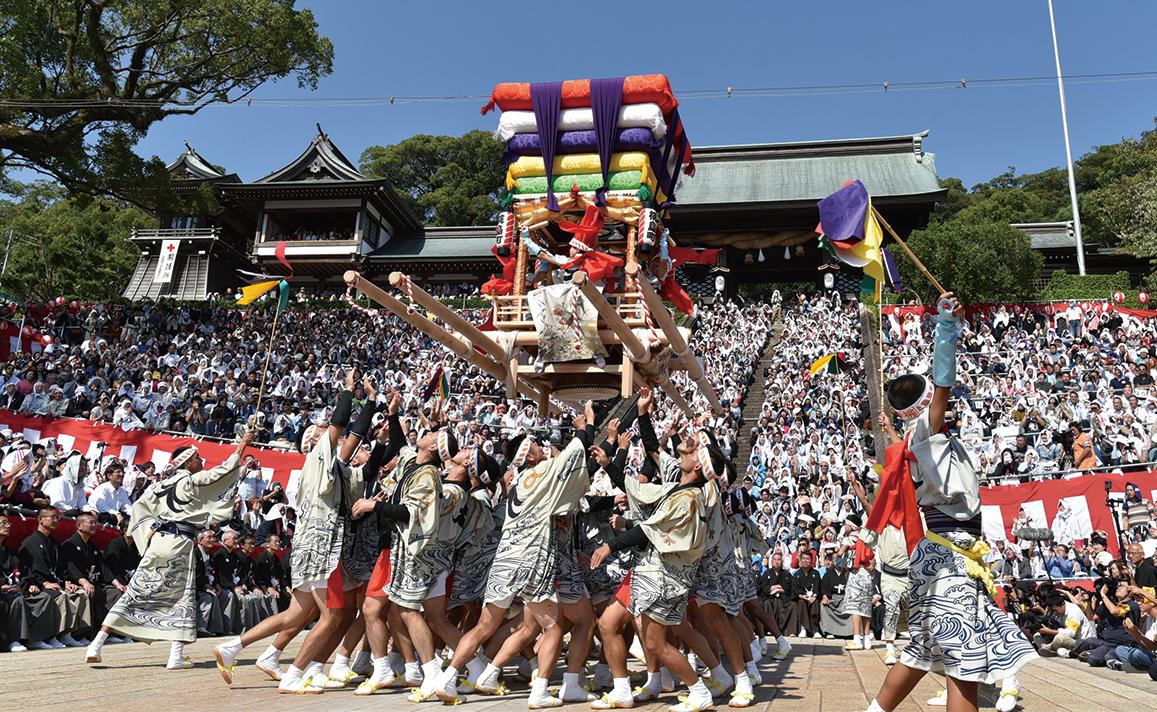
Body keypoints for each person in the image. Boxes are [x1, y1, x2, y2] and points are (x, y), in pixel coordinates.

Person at [859, 292, 1036, 712]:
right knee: (964, 660)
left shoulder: (916, 440)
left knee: (921, 651)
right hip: (949, 554)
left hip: (944, 552)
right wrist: (945, 325)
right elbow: (943, 384)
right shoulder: (927, 430)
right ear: (922, 403)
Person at [84, 429, 254, 668]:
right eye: (197, 458)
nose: (201, 461)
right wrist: (243, 444)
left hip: (159, 542)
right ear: (186, 462)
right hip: (180, 543)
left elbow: (139, 509)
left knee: (136, 592)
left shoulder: (160, 486)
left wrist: (147, 536)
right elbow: (222, 472)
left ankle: (97, 644)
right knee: (182, 597)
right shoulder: (192, 481)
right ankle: (175, 656)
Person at [18, 507, 91, 648]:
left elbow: (60, 568)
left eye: (57, 517)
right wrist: (44, 582)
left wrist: (66, 582)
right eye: (52, 517)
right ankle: (54, 635)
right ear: (40, 519)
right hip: (37, 585)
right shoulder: (30, 542)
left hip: (55, 583)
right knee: (61, 596)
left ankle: (73, 634)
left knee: (80, 594)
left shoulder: (54, 543)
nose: (56, 520)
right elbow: (29, 569)